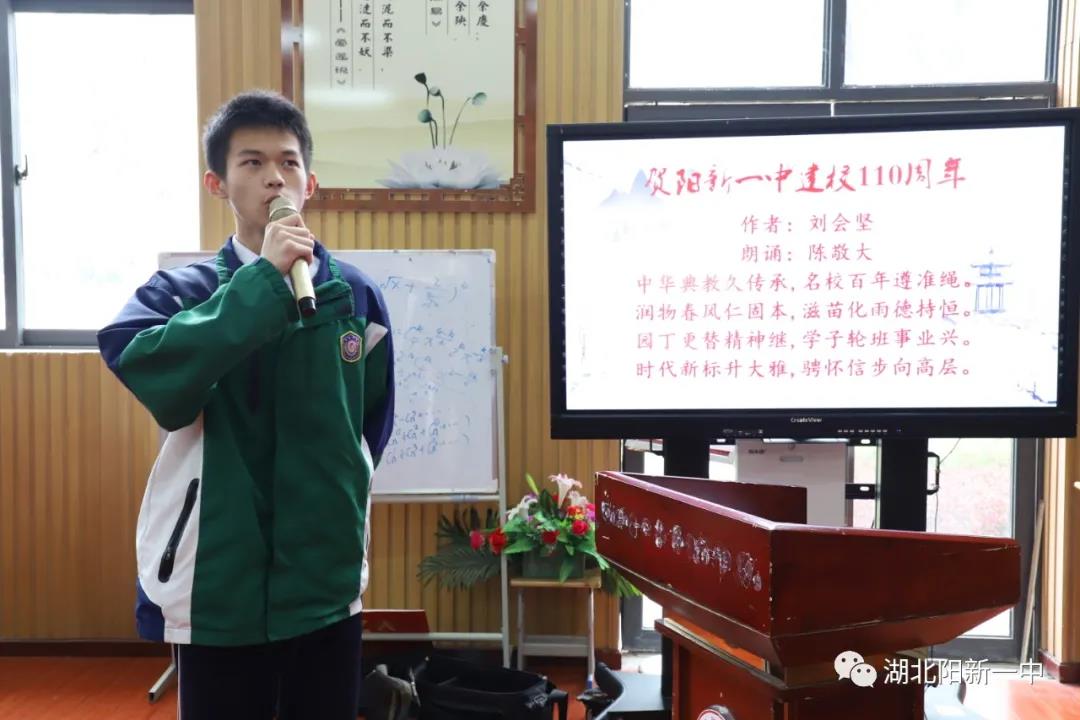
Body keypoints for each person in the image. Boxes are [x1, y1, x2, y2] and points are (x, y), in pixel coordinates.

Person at [97, 89, 395, 719]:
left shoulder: (355, 296)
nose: (273, 178)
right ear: (217, 183)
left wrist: (335, 499)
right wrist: (261, 284)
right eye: (252, 163)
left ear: (310, 183)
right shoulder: (178, 294)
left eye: (288, 162)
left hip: (323, 582)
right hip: (217, 582)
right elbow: (160, 385)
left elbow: (370, 425)